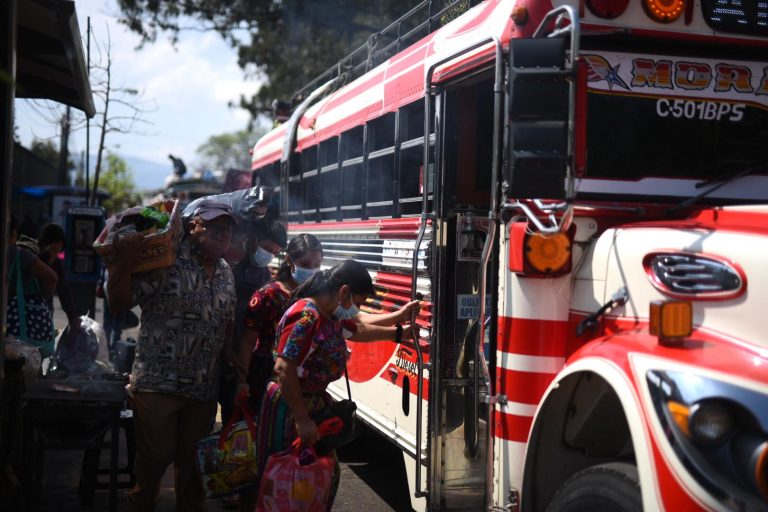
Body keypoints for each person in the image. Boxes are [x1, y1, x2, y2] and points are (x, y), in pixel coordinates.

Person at [253, 260, 417, 510]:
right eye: (358, 302)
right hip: (290, 408)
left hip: (310, 405)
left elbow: (357, 330)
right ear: (343, 292)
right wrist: (302, 419)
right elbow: (283, 368)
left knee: (314, 478)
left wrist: (399, 330)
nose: (357, 309)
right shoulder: (306, 316)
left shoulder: (329, 315)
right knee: (288, 480)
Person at [107, 199, 238, 512]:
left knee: (193, 470)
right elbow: (118, 303)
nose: (222, 235)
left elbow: (228, 317)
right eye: (214, 227)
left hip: (203, 388)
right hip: (158, 384)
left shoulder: (225, 272)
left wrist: (230, 353)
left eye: (228, 231)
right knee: (153, 462)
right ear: (193, 226)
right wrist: (124, 262)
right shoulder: (165, 261)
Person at [219, 220, 288, 424]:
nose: (268, 255)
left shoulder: (264, 274)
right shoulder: (229, 267)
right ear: (252, 239)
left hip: (246, 357)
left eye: (274, 253)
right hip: (224, 350)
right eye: (266, 248)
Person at [5, 215, 58, 358]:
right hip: (16, 328)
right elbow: (51, 278)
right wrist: (39, 299)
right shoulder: (19, 255)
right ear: (12, 232)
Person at [36, 223, 79, 327]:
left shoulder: (57, 264)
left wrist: (73, 318)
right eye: (56, 242)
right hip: (31, 307)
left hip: (46, 310)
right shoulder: (36, 258)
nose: (59, 246)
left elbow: (64, 291)